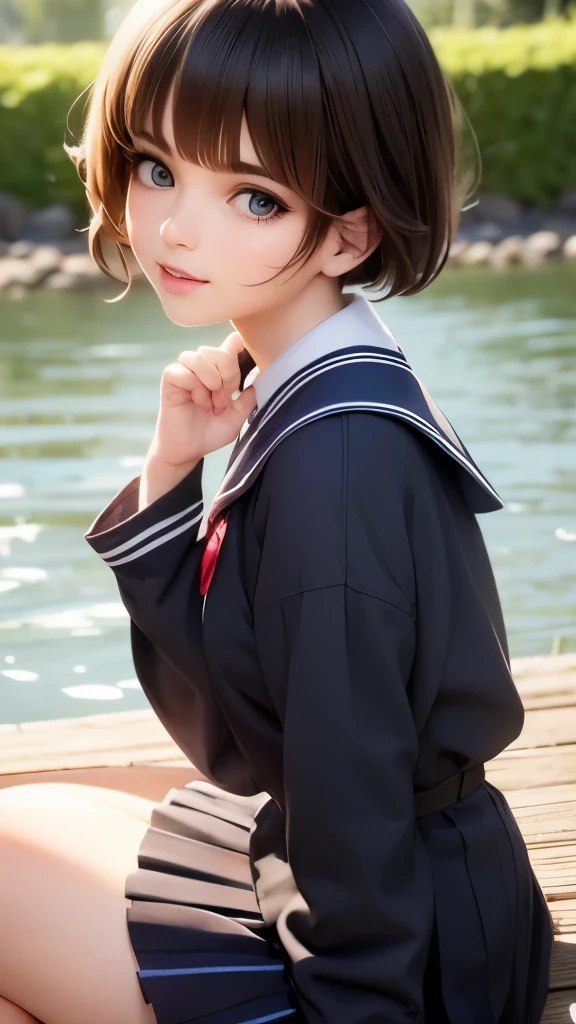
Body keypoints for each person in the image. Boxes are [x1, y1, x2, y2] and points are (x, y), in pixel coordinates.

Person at [0, 0, 554, 1022]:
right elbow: (247, 736)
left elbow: (351, 807)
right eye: (158, 165)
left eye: (252, 196)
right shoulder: (314, 378)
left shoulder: (334, 466)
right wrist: (172, 471)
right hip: (381, 889)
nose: (173, 223)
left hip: (396, 959)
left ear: (350, 232)